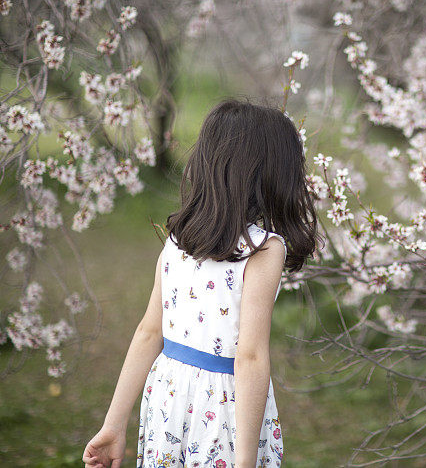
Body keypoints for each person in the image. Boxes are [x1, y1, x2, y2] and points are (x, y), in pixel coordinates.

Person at [82, 99, 318, 468]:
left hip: (167, 398)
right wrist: (244, 462)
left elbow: (148, 332)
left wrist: (113, 425)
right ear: (272, 173)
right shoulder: (262, 249)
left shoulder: (180, 239)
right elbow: (251, 357)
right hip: (222, 410)